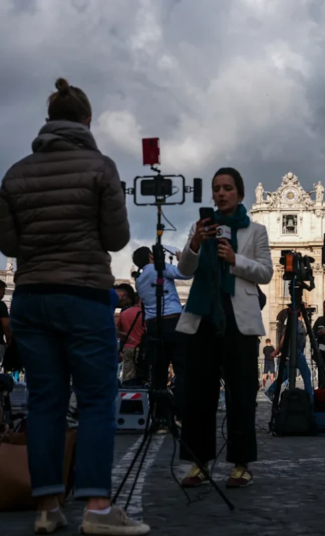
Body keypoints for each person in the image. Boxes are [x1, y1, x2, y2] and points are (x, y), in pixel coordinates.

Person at [0, 78, 148, 534]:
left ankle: (47, 506)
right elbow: (117, 239)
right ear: (87, 120)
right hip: (83, 294)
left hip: (31, 297)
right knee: (97, 401)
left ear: (48, 122)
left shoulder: (15, 173)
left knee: (44, 402)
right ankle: (98, 509)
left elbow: (7, 242)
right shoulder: (101, 168)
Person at [177, 167, 273, 489]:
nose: (221, 193)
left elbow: (266, 273)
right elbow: (184, 270)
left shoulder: (256, 231)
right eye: (217, 188)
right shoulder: (200, 227)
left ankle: (241, 464)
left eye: (227, 188)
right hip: (202, 315)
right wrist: (194, 243)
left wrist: (235, 260)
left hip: (238, 319)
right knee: (198, 394)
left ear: (240, 194)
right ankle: (198, 463)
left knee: (241, 394)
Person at [133, 246, 191, 421]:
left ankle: (159, 414)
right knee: (181, 369)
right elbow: (186, 274)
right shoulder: (160, 268)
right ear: (151, 256)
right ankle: (182, 412)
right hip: (173, 321)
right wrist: (182, 259)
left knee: (158, 372)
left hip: (153, 325)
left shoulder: (139, 279)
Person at [266, 307, 314, 401]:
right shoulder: (294, 323)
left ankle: (271, 390)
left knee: (285, 375)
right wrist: (277, 351)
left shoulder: (300, 323)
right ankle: (310, 396)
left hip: (297, 352)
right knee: (306, 374)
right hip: (296, 352)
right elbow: (284, 338)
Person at [115, 285, 145, 386]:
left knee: (128, 375)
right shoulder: (144, 314)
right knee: (142, 374)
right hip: (141, 349)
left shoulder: (124, 313)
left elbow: (117, 330)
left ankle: (128, 397)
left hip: (128, 348)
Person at [0, 281, 10, 367]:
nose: (4, 293)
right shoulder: (1, 305)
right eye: (2, 290)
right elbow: (6, 325)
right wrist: (9, 341)